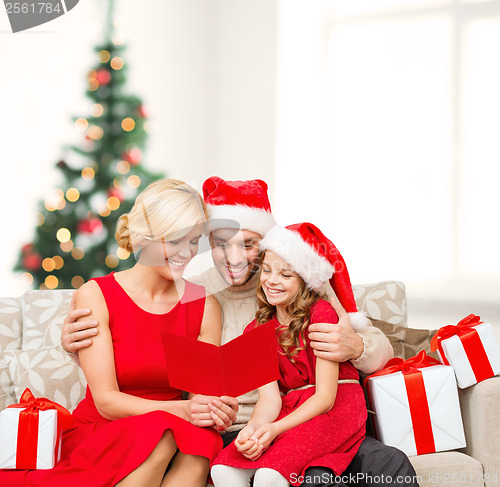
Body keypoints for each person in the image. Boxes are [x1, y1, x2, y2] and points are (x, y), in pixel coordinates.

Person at [62, 176, 418, 486]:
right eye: (220, 244)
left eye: (248, 245)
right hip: (247, 428)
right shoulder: (198, 294)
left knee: (388, 465)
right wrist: (80, 349)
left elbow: (381, 352)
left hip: (320, 418)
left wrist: (356, 346)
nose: (234, 258)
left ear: (267, 245)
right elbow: (161, 363)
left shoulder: (304, 286)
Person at [1, 179, 236, 487]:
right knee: (164, 434)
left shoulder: (204, 305)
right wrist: (183, 410)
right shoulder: (97, 295)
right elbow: (107, 402)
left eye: (194, 241)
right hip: (109, 426)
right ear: (142, 239)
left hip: (176, 423)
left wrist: (214, 408)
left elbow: (199, 394)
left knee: (200, 443)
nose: (186, 253)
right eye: (174, 240)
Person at [211, 222, 368, 487]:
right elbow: (270, 399)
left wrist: (274, 430)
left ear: (304, 281)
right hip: (290, 409)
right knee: (223, 470)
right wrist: (254, 430)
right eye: (268, 271)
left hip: (335, 409)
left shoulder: (321, 313)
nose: (272, 281)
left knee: (270, 475)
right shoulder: (256, 328)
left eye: (286, 276)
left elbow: (325, 398)